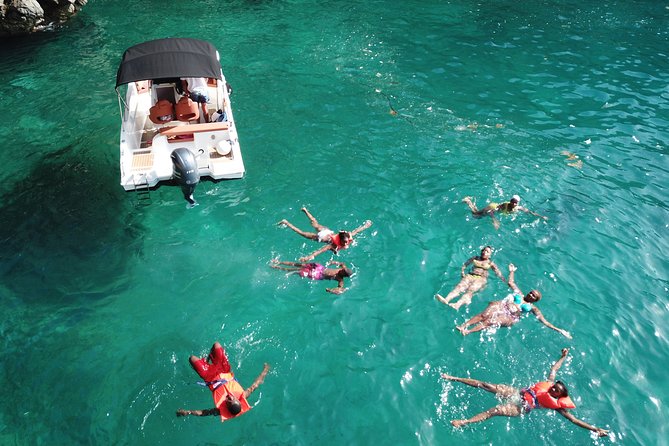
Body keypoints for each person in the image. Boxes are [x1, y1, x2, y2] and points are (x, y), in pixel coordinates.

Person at [441, 348, 609, 437]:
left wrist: (594, 429)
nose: (552, 389)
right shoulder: (550, 382)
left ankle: (464, 422)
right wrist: (563, 356)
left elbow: (574, 420)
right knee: (485, 385)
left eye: (555, 391)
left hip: (522, 407)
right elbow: (554, 369)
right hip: (517, 393)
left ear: (558, 396)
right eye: (553, 387)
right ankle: (453, 378)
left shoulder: (558, 407)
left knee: (495, 411)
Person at [456, 263, 571, 338]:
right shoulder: (519, 294)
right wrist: (512, 271)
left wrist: (559, 330)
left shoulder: (533, 308)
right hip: (503, 306)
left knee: (490, 321)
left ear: (535, 300)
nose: (530, 295)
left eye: (533, 296)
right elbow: (511, 283)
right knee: (484, 315)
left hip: (511, 316)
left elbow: (544, 321)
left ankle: (468, 332)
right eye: (531, 292)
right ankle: (464, 325)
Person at [176, 342, 270, 421]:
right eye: (233, 398)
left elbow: (203, 412)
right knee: (216, 345)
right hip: (224, 370)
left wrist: (188, 412)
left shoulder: (220, 409)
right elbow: (255, 385)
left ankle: (205, 363)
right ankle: (209, 358)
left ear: (227, 406)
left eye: (228, 400)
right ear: (238, 401)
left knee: (192, 358)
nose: (230, 396)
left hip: (210, 376)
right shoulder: (243, 395)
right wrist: (265, 371)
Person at [277, 207, 372, 261]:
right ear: (340, 239)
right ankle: (286, 223)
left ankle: (305, 210)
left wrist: (365, 226)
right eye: (344, 242)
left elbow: (357, 231)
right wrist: (308, 257)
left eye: (346, 242)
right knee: (302, 233)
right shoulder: (333, 244)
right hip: (320, 236)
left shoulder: (347, 237)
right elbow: (320, 251)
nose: (345, 244)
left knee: (315, 223)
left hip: (326, 231)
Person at [436, 246, 506, 310]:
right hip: (470, 275)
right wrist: (462, 272)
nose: (484, 252)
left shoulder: (490, 263)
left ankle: (457, 305)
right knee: (459, 287)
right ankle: (446, 299)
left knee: (470, 290)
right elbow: (465, 264)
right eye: (484, 250)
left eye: (487, 251)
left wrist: (503, 279)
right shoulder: (475, 258)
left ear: (490, 255)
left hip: (481, 279)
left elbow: (497, 272)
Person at [462, 195, 547, 230]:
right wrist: (494, 221)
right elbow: (491, 211)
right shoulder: (505, 205)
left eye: (515, 202)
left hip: (495, 210)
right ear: (510, 201)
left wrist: (541, 216)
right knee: (476, 215)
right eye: (512, 201)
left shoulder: (518, 208)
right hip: (492, 207)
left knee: (477, 215)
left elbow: (530, 212)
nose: (513, 204)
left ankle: (469, 201)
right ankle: (468, 201)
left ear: (518, 203)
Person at [270, 259, 352, 294]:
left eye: (342, 271)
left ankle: (278, 268)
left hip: (318, 275)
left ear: (344, 275)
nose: (341, 270)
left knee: (297, 271)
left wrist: (331, 290)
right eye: (342, 269)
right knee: (300, 265)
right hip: (320, 268)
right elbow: (342, 264)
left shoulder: (340, 279)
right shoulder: (343, 268)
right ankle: (279, 262)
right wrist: (333, 262)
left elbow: (340, 289)